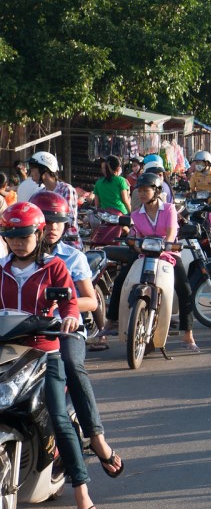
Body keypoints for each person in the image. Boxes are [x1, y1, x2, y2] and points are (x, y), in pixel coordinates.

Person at [0, 202, 100, 509]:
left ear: (39, 233)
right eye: (10, 234)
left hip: (45, 351)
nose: (17, 241)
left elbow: (70, 303)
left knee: (57, 415)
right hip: (7, 351)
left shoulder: (54, 267)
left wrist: (69, 318)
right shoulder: (0, 269)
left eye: (23, 234)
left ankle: (81, 490)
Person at [32, 192, 123, 481]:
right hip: (27, 331)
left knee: (72, 366)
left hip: (65, 330)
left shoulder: (72, 256)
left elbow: (90, 301)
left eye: (59, 221)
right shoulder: (13, 257)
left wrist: (61, 306)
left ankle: (96, 437)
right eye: (48, 221)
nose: (54, 227)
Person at [103, 173, 200, 351]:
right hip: (144, 253)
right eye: (139, 191)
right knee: (121, 281)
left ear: (156, 191)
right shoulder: (136, 215)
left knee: (185, 289)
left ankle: (188, 334)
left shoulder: (169, 209)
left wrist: (166, 246)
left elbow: (171, 234)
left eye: (145, 190)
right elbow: (135, 236)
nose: (141, 194)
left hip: (168, 253)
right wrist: (137, 246)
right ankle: (110, 322)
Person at [19, 152, 80, 245]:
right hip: (46, 244)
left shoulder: (66, 189)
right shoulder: (40, 194)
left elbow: (69, 220)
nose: (30, 174)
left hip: (68, 243)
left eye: (32, 170)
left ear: (44, 169)